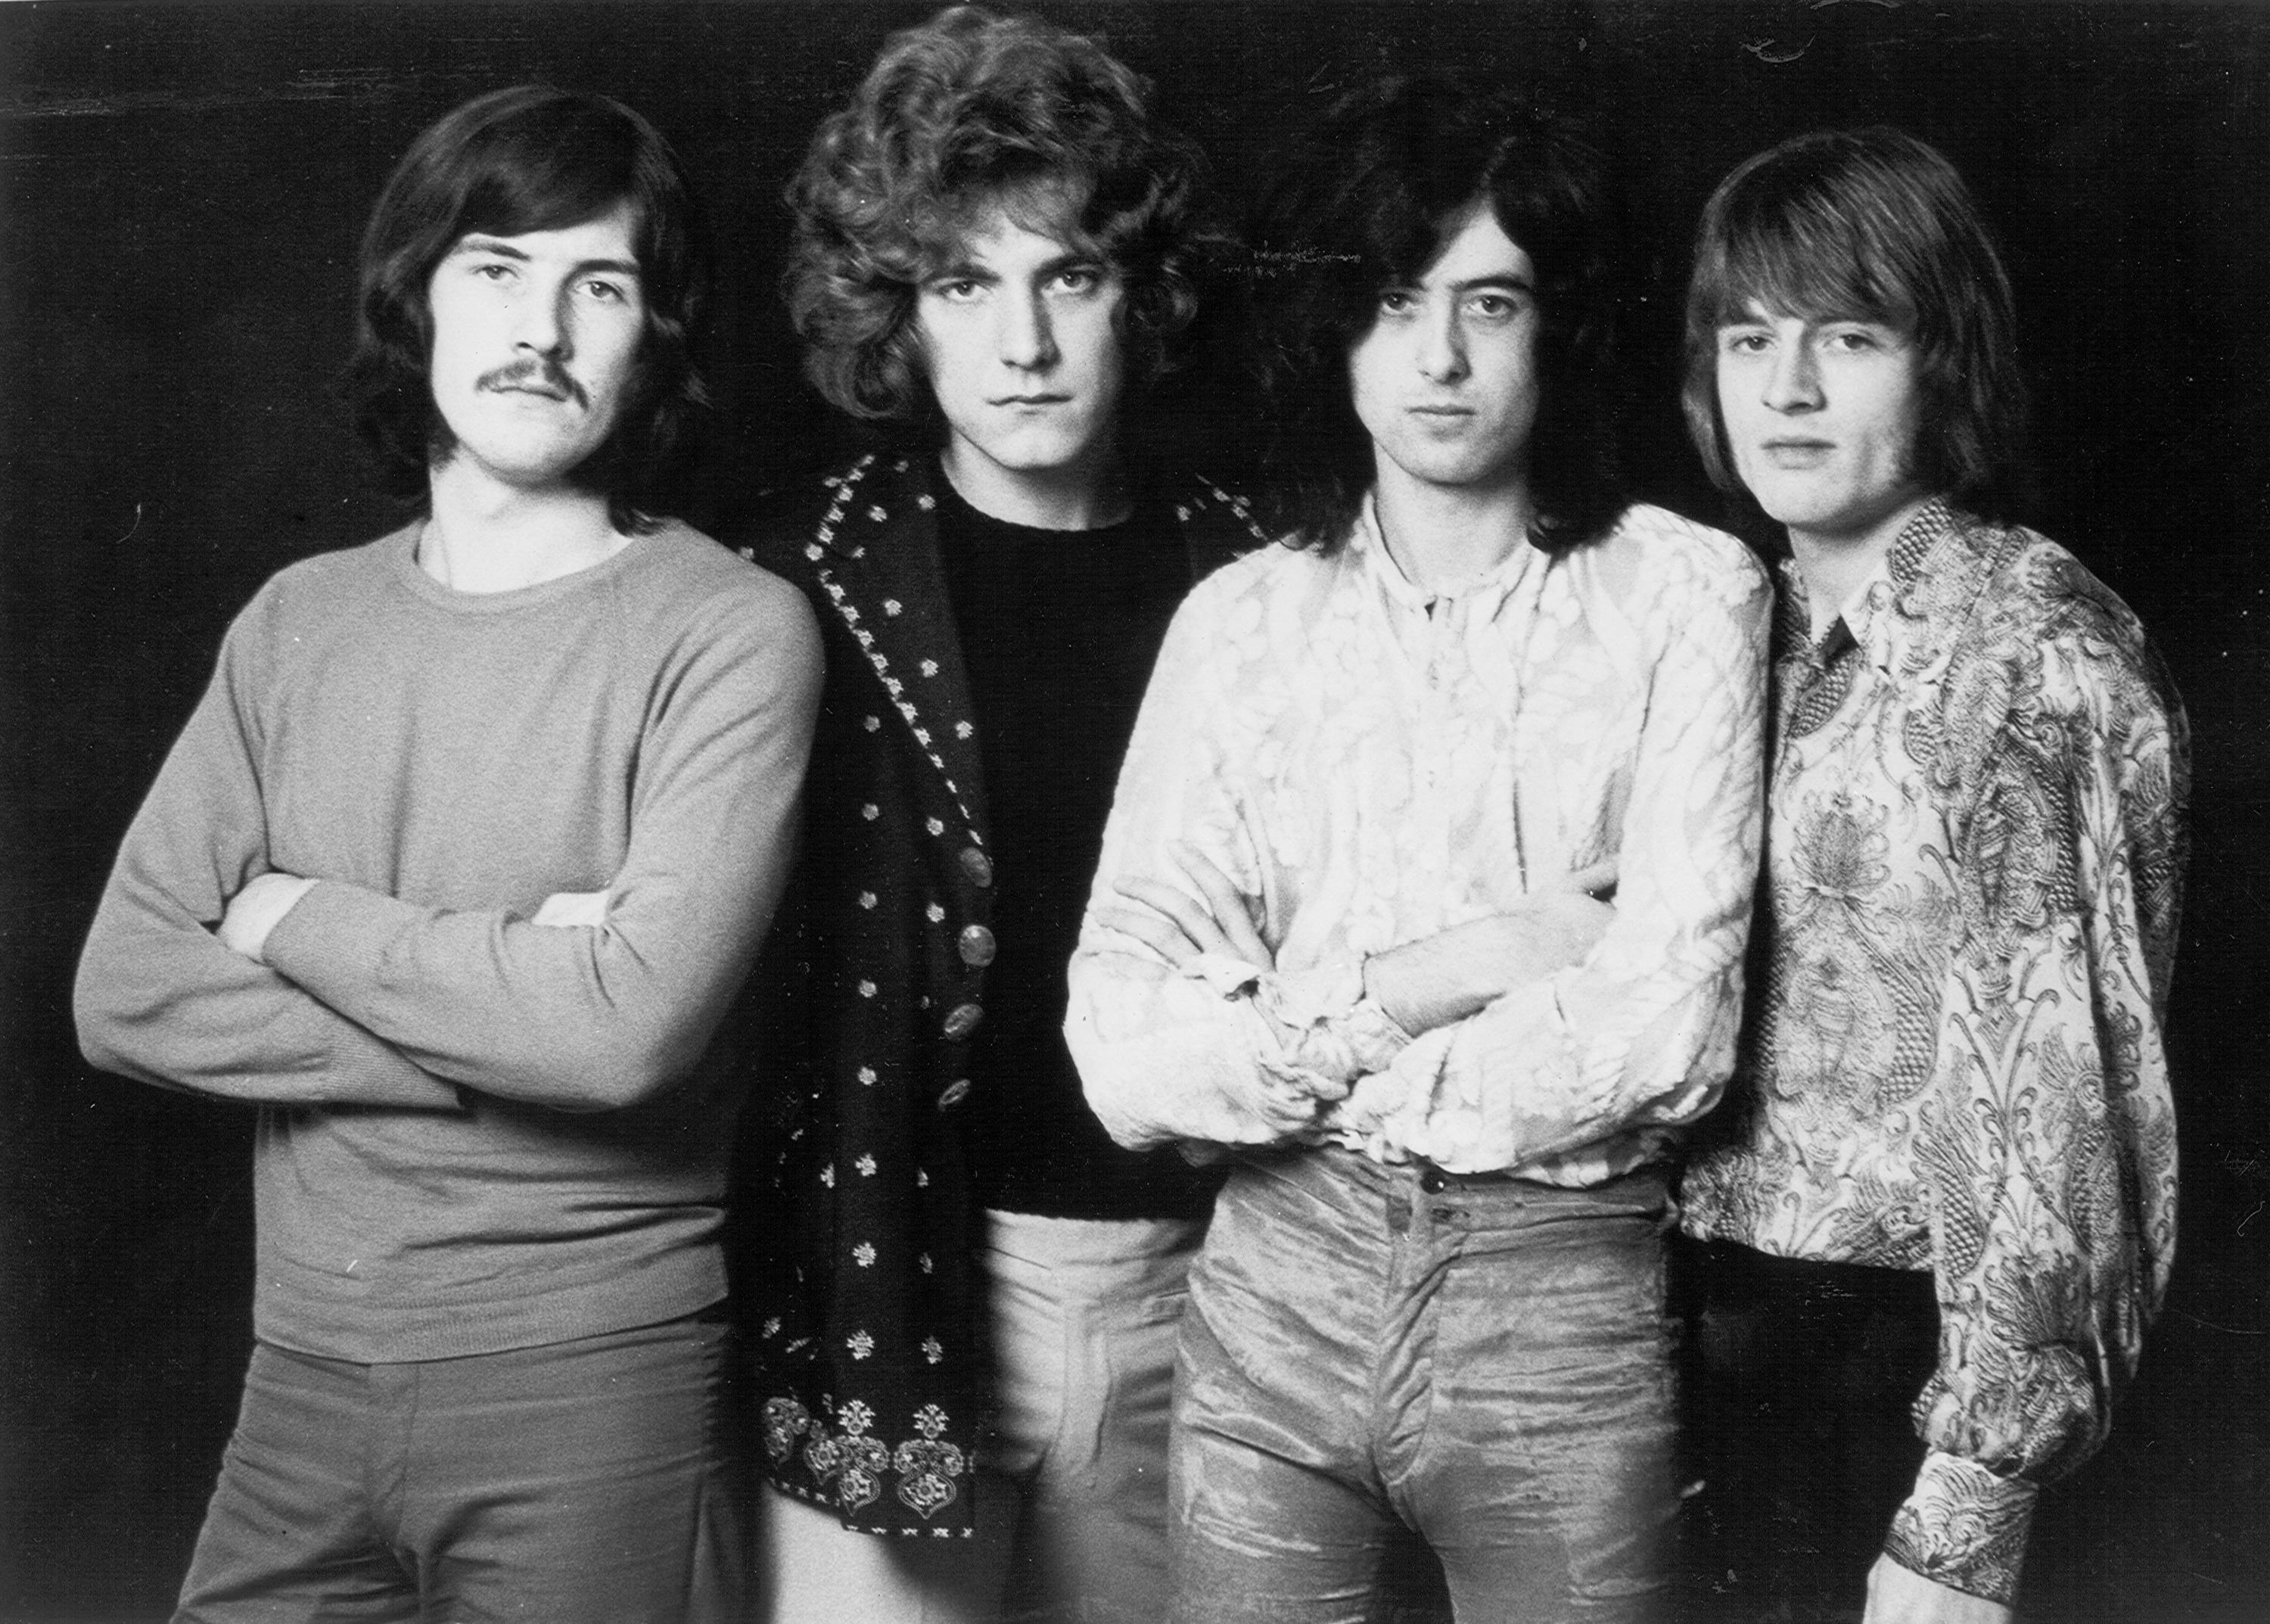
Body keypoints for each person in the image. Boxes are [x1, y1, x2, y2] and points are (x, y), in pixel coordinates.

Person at [72, 85, 822, 1624]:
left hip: (593, 1385)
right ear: (417, 298)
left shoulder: (732, 630)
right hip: (299, 1375)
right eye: (496, 268)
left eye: (599, 285)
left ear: (654, 336)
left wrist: (288, 912)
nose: (541, 328)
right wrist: (520, 1009)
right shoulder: (297, 621)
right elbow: (126, 991)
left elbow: (620, 1037)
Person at [1065, 76, 1771, 1623]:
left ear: (1558, 326)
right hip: (1272, 1290)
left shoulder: (1687, 594)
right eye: (1393, 301)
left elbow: (1669, 1033)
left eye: (1489, 303)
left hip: (1559, 1305)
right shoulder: (1241, 622)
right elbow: (1119, 1050)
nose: (1439, 356)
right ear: (1333, 330)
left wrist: (1284, 1030)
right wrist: (1439, 974)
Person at [737, 8, 1268, 1621]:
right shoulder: (797, 577)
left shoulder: (1260, 576)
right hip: (878, 1290)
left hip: (1205, 1285)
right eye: (966, 284)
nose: (1024, 341)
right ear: (899, 311)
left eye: (1071, 277)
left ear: (1139, 294)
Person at [1674, 127, 2189, 1624]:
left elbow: (2056, 1108)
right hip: (1706, 1343)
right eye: (1749, 338)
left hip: (1909, 1373)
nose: (1787, 388)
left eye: (1849, 337)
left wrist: (1967, 1511)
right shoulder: (1731, 629)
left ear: (1943, 358)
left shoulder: (2027, 649)